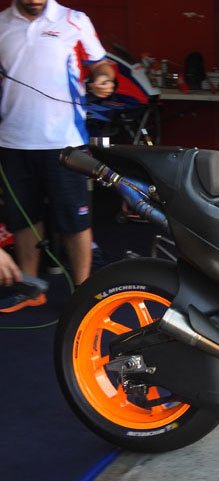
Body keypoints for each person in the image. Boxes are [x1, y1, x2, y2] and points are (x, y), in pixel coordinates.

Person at [0, 0, 115, 305]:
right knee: (23, 218)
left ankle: (83, 292)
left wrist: (103, 78)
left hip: (64, 141)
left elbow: (100, 63)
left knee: (74, 219)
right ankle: (30, 288)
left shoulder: (74, 20)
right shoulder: (2, 24)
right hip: (12, 140)